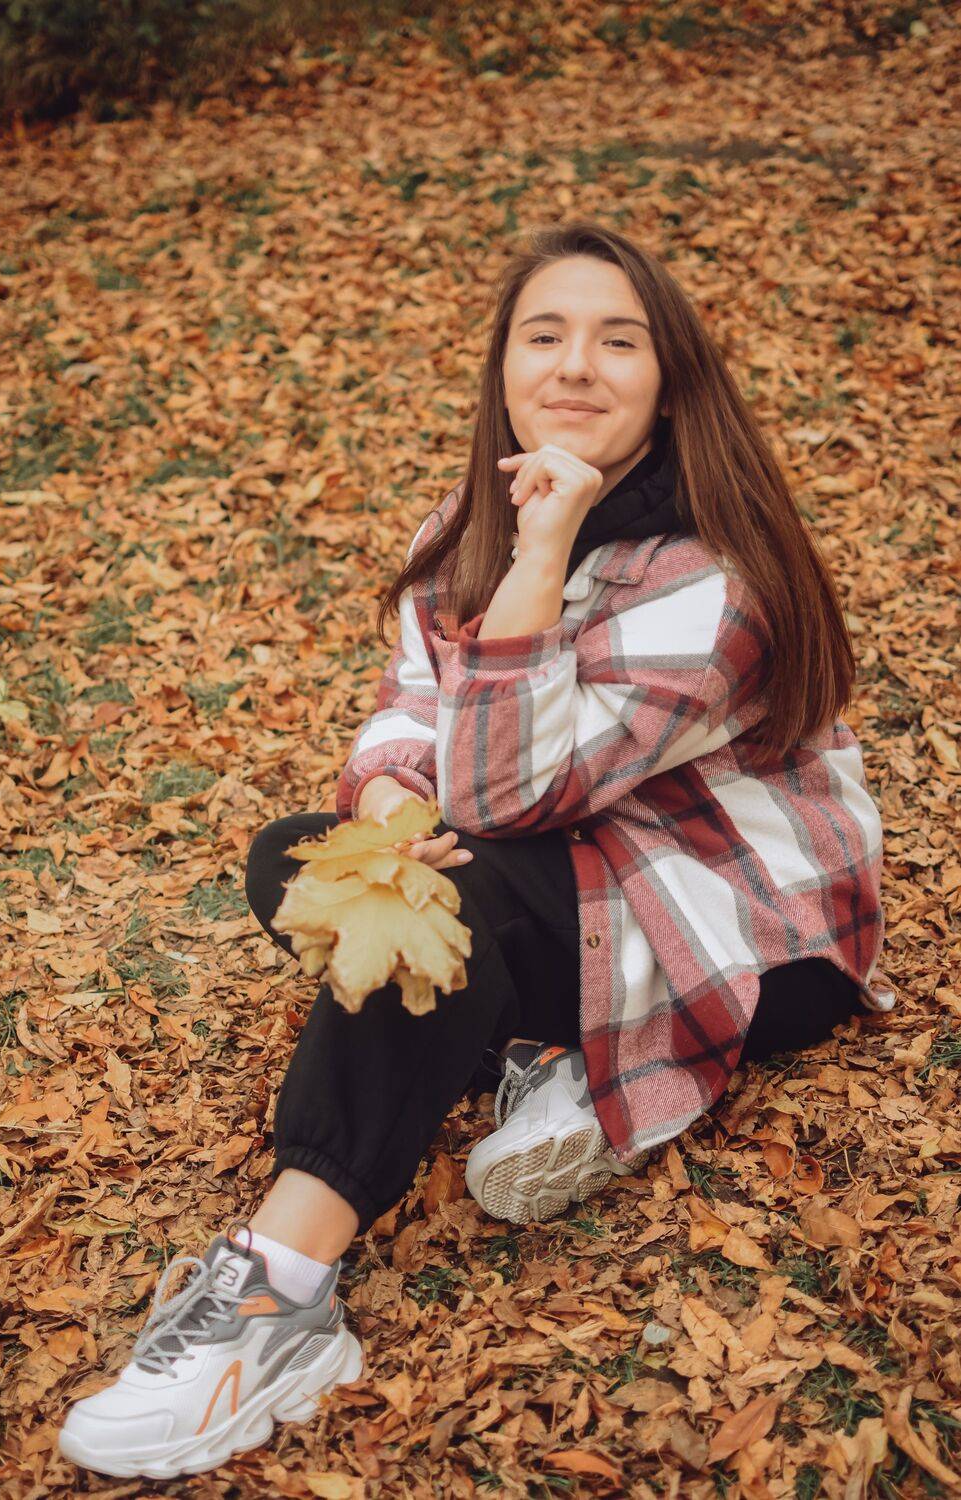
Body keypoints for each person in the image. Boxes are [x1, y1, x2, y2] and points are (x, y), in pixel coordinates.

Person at [57, 219, 895, 1480]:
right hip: (576, 870)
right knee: (308, 861)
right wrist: (390, 811)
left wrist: (544, 558)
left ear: (671, 388)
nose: (575, 366)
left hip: (746, 942)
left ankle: (278, 1292)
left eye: (619, 342)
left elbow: (508, 796)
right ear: (503, 370)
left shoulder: (715, 581)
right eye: (544, 336)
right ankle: (558, 1056)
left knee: (454, 896)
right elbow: (410, 707)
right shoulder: (465, 523)